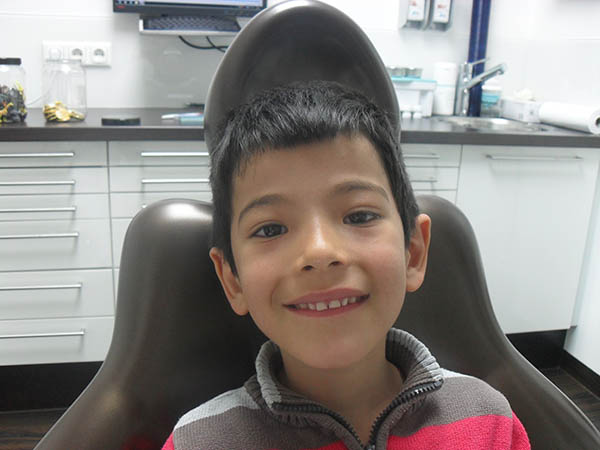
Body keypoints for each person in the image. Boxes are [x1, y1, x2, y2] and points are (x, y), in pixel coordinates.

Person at [162, 80, 530, 450]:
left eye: (359, 216)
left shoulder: (489, 422)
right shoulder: (196, 443)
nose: (320, 252)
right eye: (270, 229)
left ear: (413, 252)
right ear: (233, 280)